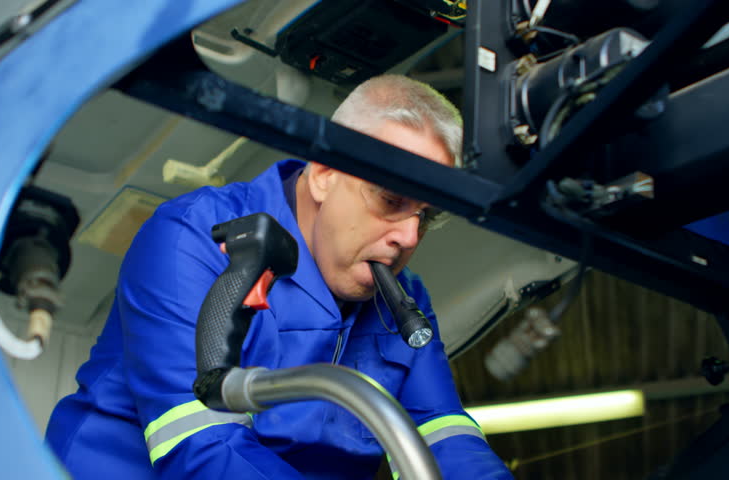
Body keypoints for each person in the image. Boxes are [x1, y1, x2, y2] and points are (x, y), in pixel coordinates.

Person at [46, 74, 514, 479]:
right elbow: (203, 450)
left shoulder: (405, 303)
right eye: (391, 200)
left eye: (427, 217)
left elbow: (444, 436)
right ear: (325, 173)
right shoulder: (195, 240)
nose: (409, 236)